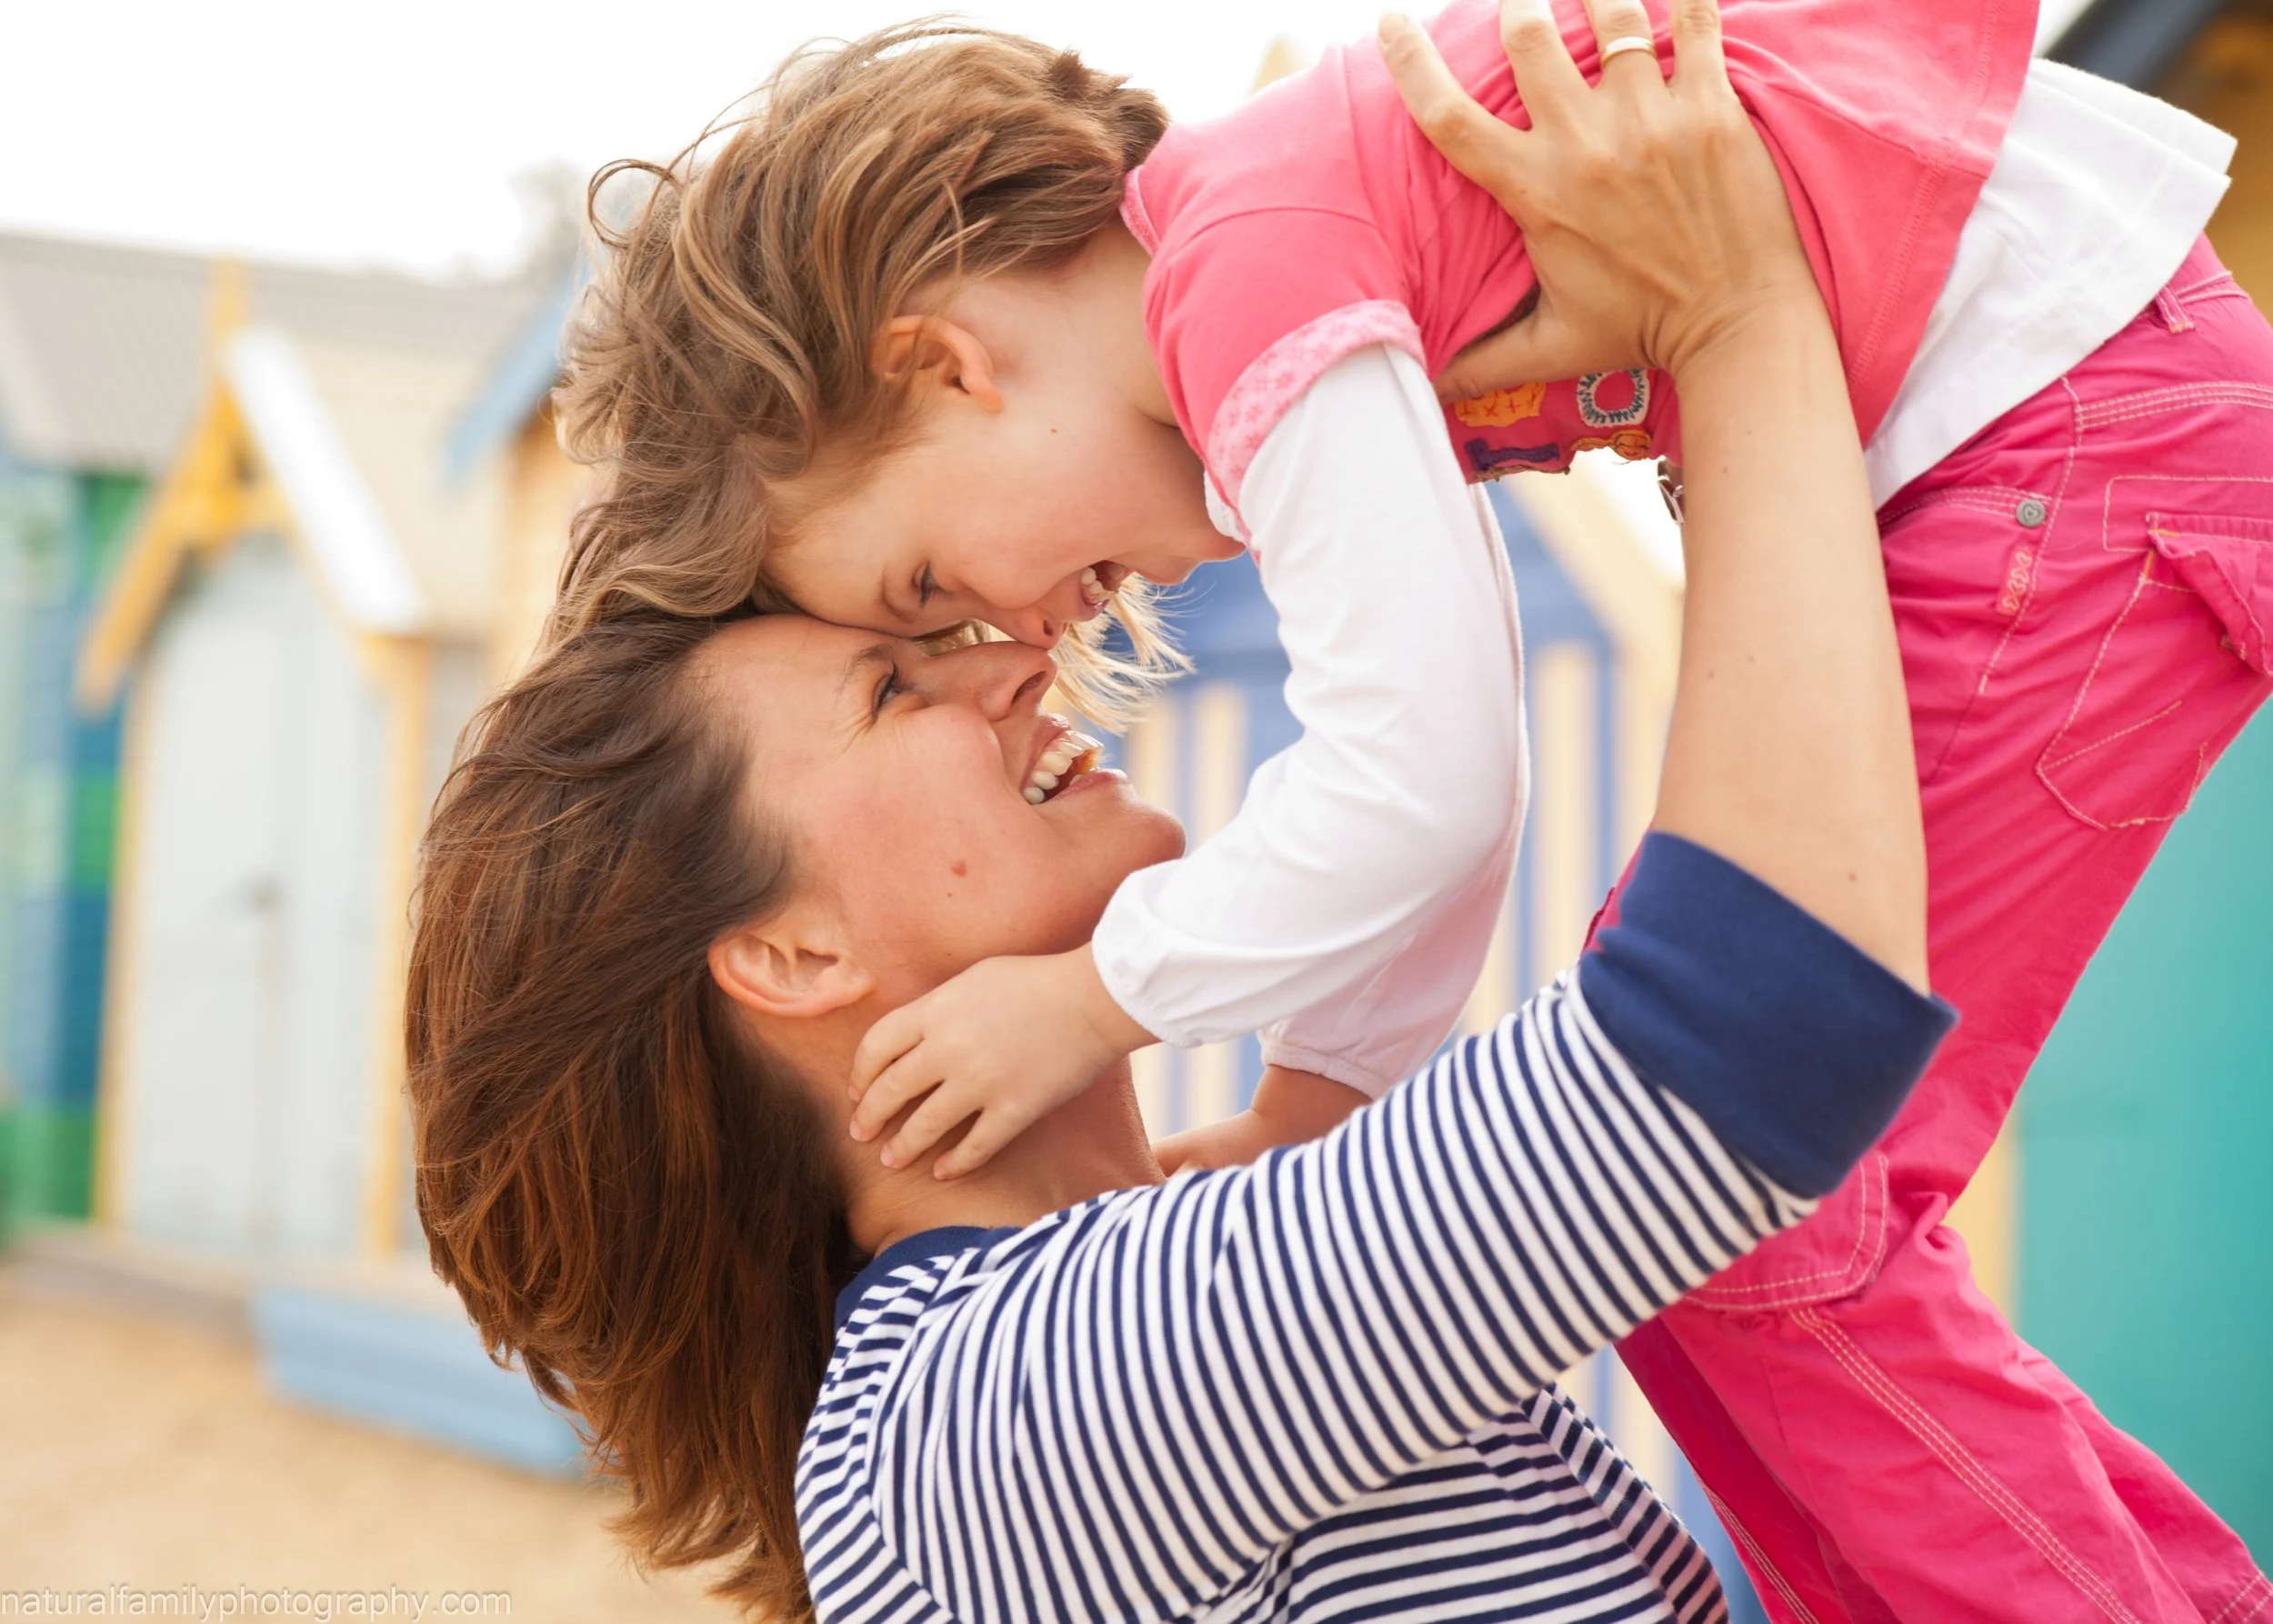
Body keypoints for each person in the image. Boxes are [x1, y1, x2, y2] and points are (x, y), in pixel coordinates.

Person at [546, 0, 2273, 1611]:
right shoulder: (1006, 1412)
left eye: (927, 598)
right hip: (2066, 421)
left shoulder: (1244, 280)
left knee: (1769, 1244)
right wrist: (1320, 1091)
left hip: (2066, 421)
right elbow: (1461, 773)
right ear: (779, 948)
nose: (1018, 651)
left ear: (943, 362)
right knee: (1735, 1258)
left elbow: (1445, 785)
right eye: (900, 664)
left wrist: (1111, 994)